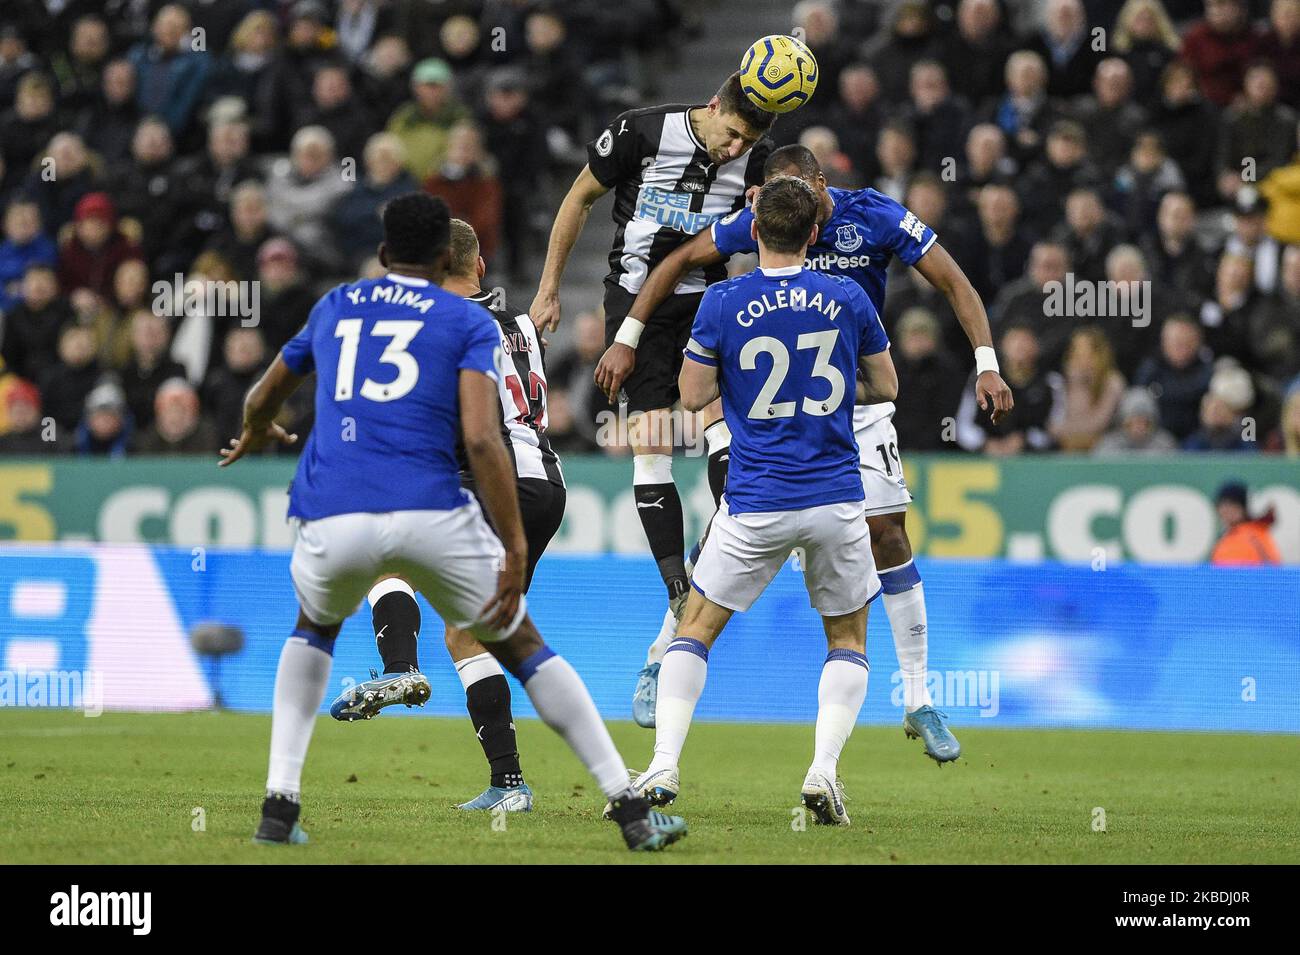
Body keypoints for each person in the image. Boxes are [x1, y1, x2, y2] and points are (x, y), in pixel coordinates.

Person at [220, 193, 684, 852]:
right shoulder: (481, 320)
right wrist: (514, 539)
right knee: (514, 643)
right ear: (451, 258)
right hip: (466, 494)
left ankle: (281, 801)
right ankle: (624, 808)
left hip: (338, 501)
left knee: (316, 628)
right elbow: (484, 435)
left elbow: (267, 390)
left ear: (382, 255)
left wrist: (257, 426)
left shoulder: (337, 305)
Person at [598, 144, 1012, 761]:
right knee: (727, 522)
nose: (787, 204)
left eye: (799, 192)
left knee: (889, 532)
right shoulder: (769, 218)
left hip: (858, 402)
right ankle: (661, 657)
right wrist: (628, 335)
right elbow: (679, 260)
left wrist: (986, 363)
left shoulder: (874, 215)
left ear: (822, 184)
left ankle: (920, 699)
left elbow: (954, 280)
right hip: (779, 404)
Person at [625, 176, 897, 824]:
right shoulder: (847, 296)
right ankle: (822, 771)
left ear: (753, 232)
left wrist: (745, 393)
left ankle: (663, 762)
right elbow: (885, 385)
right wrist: (828, 397)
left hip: (754, 499)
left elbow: (691, 396)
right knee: (848, 637)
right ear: (813, 234)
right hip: (835, 497)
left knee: (695, 628)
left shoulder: (722, 300)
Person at [527, 71, 776, 706]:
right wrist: (550, 286)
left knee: (728, 446)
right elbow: (578, 198)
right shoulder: (639, 131)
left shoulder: (758, 160)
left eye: (745, 141)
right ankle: (675, 586)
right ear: (713, 106)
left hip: (712, 306)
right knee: (651, 444)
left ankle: (699, 580)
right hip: (635, 304)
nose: (732, 148)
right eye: (731, 134)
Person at [331, 219, 566, 815]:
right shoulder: (521, 326)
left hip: (492, 480)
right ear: (479, 265)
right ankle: (509, 785)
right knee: (469, 632)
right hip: (544, 486)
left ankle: (401, 668)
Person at [1210, 481, 1281, 565]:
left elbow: (1272, 571)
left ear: (1245, 508)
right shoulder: (1225, 538)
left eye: (1233, 504)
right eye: (1223, 504)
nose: (1226, 510)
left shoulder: (1256, 535)